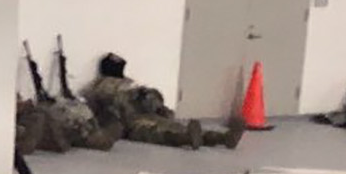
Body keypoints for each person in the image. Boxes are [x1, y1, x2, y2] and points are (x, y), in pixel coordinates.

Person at [82, 53, 243, 150]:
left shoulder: (125, 85)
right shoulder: (101, 87)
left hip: (143, 114)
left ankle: (220, 138)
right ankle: (190, 139)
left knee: (173, 126)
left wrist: (151, 101)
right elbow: (110, 109)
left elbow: (146, 98)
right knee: (158, 132)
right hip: (129, 123)